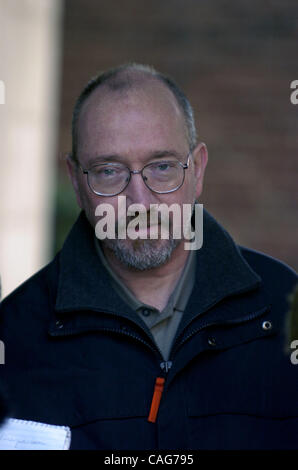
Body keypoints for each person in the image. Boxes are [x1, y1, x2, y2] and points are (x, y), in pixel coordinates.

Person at [0, 63, 297, 450]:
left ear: (199, 169)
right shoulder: (14, 336)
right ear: (75, 180)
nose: (139, 201)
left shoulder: (285, 310)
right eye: (109, 171)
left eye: (161, 167)